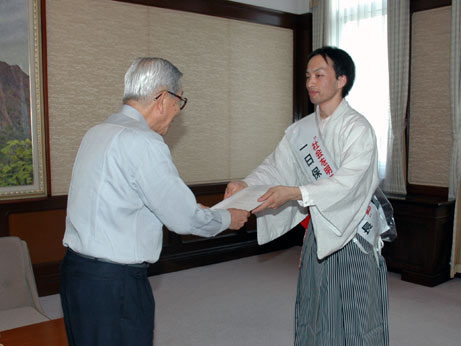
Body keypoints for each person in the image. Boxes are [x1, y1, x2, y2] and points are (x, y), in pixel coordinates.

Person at [60, 57, 250, 346]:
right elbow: (183, 220)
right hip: (115, 284)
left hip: (77, 274)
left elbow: (124, 199)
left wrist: (190, 208)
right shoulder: (144, 142)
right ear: (162, 98)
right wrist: (228, 219)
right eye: (179, 101)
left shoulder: (96, 133)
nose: (177, 112)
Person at [225, 46, 389, 345]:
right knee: (316, 303)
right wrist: (246, 185)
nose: (310, 82)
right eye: (308, 76)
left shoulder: (358, 128)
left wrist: (296, 192)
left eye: (319, 75)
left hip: (355, 231)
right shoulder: (302, 131)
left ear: (341, 79)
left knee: (354, 308)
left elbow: (350, 182)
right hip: (319, 228)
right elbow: (275, 168)